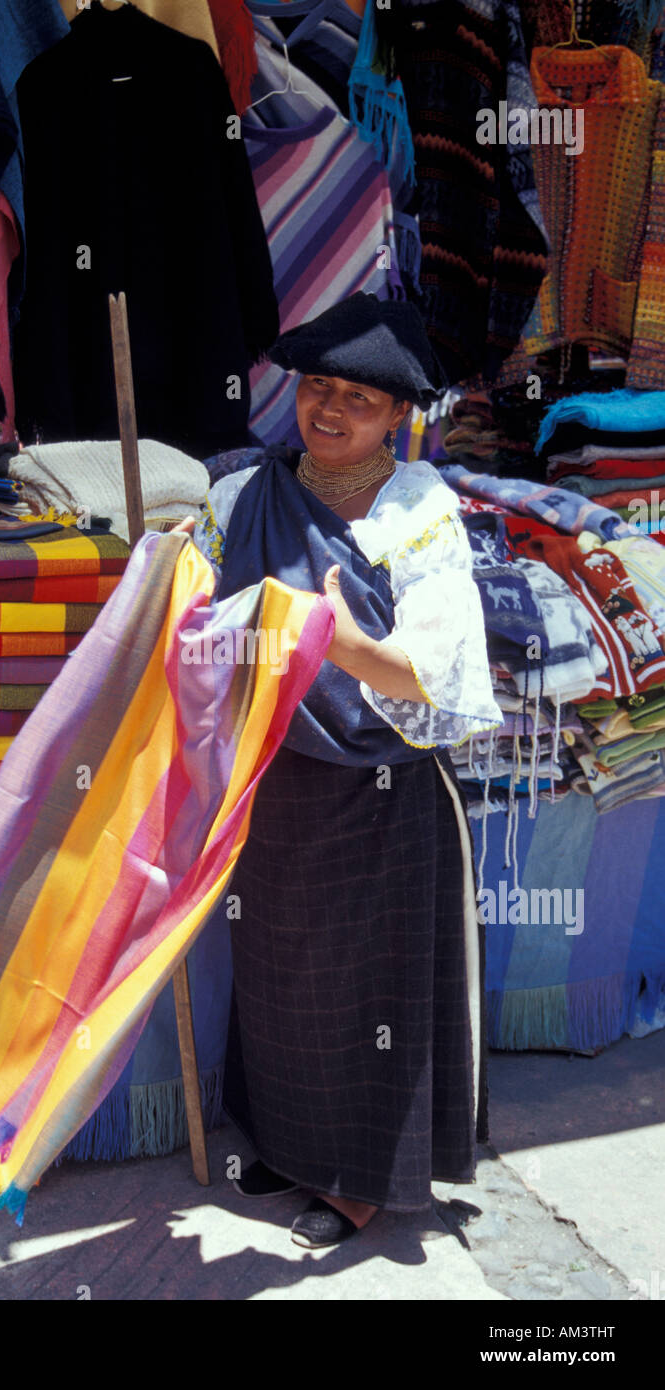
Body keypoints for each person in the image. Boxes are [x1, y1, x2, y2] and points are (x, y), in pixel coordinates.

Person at [182, 294, 502, 1248]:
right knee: (283, 979)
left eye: (357, 399)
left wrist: (340, 641)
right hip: (275, 784)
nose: (327, 411)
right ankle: (286, 1145)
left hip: (380, 796)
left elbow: (434, 675)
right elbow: (203, 626)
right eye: (317, 387)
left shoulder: (419, 513)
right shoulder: (243, 492)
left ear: (398, 417)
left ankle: (362, 1184)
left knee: (370, 996)